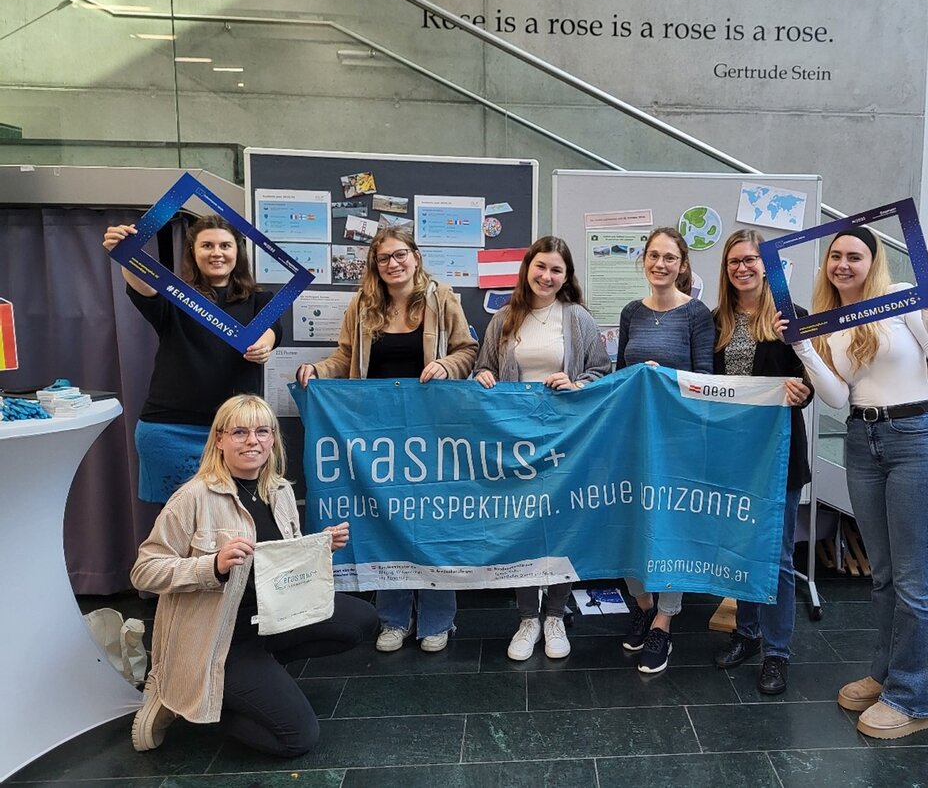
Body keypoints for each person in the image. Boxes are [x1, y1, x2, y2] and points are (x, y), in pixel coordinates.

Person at [129, 394, 378, 757]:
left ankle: (258, 678)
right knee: (297, 738)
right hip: (219, 638)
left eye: (263, 431)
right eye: (240, 432)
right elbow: (144, 571)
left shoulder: (278, 491)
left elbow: (277, 561)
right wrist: (212, 566)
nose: (253, 441)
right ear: (219, 440)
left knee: (361, 619)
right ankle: (184, 697)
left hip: (271, 620)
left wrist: (318, 547)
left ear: (273, 439)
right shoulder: (193, 497)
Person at [793, 227, 928, 739]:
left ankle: (914, 699)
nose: (843, 264)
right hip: (862, 439)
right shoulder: (829, 320)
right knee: (885, 574)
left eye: (854, 256)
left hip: (916, 437)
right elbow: (838, 398)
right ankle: (888, 676)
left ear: (874, 261)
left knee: (912, 577)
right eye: (835, 256)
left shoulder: (897, 299)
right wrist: (803, 348)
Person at [296, 228, 477, 654]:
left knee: (432, 522)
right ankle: (393, 618)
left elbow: (469, 350)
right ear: (374, 266)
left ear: (416, 257)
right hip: (375, 436)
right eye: (382, 258)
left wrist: (448, 366)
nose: (392, 264)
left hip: (432, 433)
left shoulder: (441, 297)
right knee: (383, 520)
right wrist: (319, 370)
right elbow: (345, 357)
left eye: (399, 255)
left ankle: (439, 619)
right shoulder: (362, 305)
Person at [473, 236, 613, 662]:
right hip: (515, 440)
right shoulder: (504, 318)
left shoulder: (577, 319)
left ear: (566, 276)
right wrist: (482, 376)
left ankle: (555, 614)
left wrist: (576, 384)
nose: (547, 276)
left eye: (557, 270)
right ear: (527, 269)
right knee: (523, 525)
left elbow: (602, 372)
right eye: (541, 267)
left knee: (562, 523)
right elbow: (483, 366)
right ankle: (527, 617)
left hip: (564, 440)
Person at [102, 216, 279, 505]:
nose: (217, 252)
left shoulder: (262, 300)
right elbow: (142, 287)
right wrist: (125, 252)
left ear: (238, 251)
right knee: (177, 531)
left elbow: (272, 331)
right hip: (170, 431)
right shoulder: (175, 296)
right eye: (207, 245)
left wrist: (264, 344)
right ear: (193, 252)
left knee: (235, 528)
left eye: (225, 245)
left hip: (237, 434)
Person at [709, 229, 814, 695]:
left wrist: (802, 390)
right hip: (732, 454)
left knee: (778, 556)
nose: (742, 268)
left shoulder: (794, 319)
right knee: (740, 549)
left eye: (750, 260)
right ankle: (747, 634)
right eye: (734, 262)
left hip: (778, 454)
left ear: (766, 266)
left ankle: (777, 653)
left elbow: (814, 379)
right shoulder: (716, 323)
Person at [616, 226, 715, 674]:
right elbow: (619, 375)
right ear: (644, 260)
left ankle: (663, 621)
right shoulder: (630, 312)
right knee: (628, 521)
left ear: (681, 264)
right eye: (653, 256)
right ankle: (641, 603)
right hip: (632, 436)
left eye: (669, 257)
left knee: (671, 528)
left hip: (678, 439)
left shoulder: (696, 315)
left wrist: (666, 378)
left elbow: (707, 384)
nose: (660, 264)